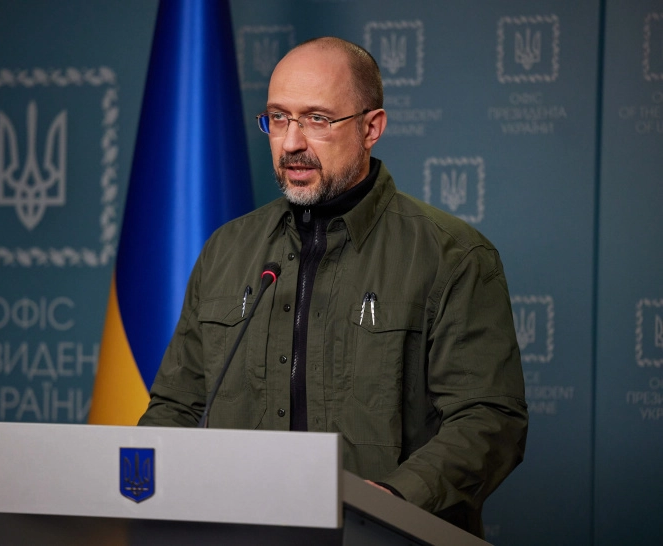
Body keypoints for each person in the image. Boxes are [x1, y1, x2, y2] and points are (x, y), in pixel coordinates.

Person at [138, 36, 528, 537]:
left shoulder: (453, 255)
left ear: (371, 128)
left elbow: (488, 419)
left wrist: (390, 503)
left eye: (317, 119)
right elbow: (176, 407)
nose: (291, 143)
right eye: (278, 118)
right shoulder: (227, 250)